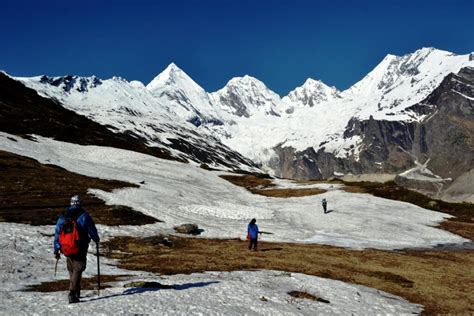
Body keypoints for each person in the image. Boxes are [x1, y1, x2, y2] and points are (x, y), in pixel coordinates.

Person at [54, 195, 100, 303]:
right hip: (80, 246)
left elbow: (57, 232)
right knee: (79, 267)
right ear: (80, 203)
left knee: (72, 268)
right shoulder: (84, 215)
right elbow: (91, 229)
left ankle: (76, 290)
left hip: (66, 247)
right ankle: (72, 292)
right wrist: (96, 239)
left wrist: (57, 247)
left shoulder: (63, 215)